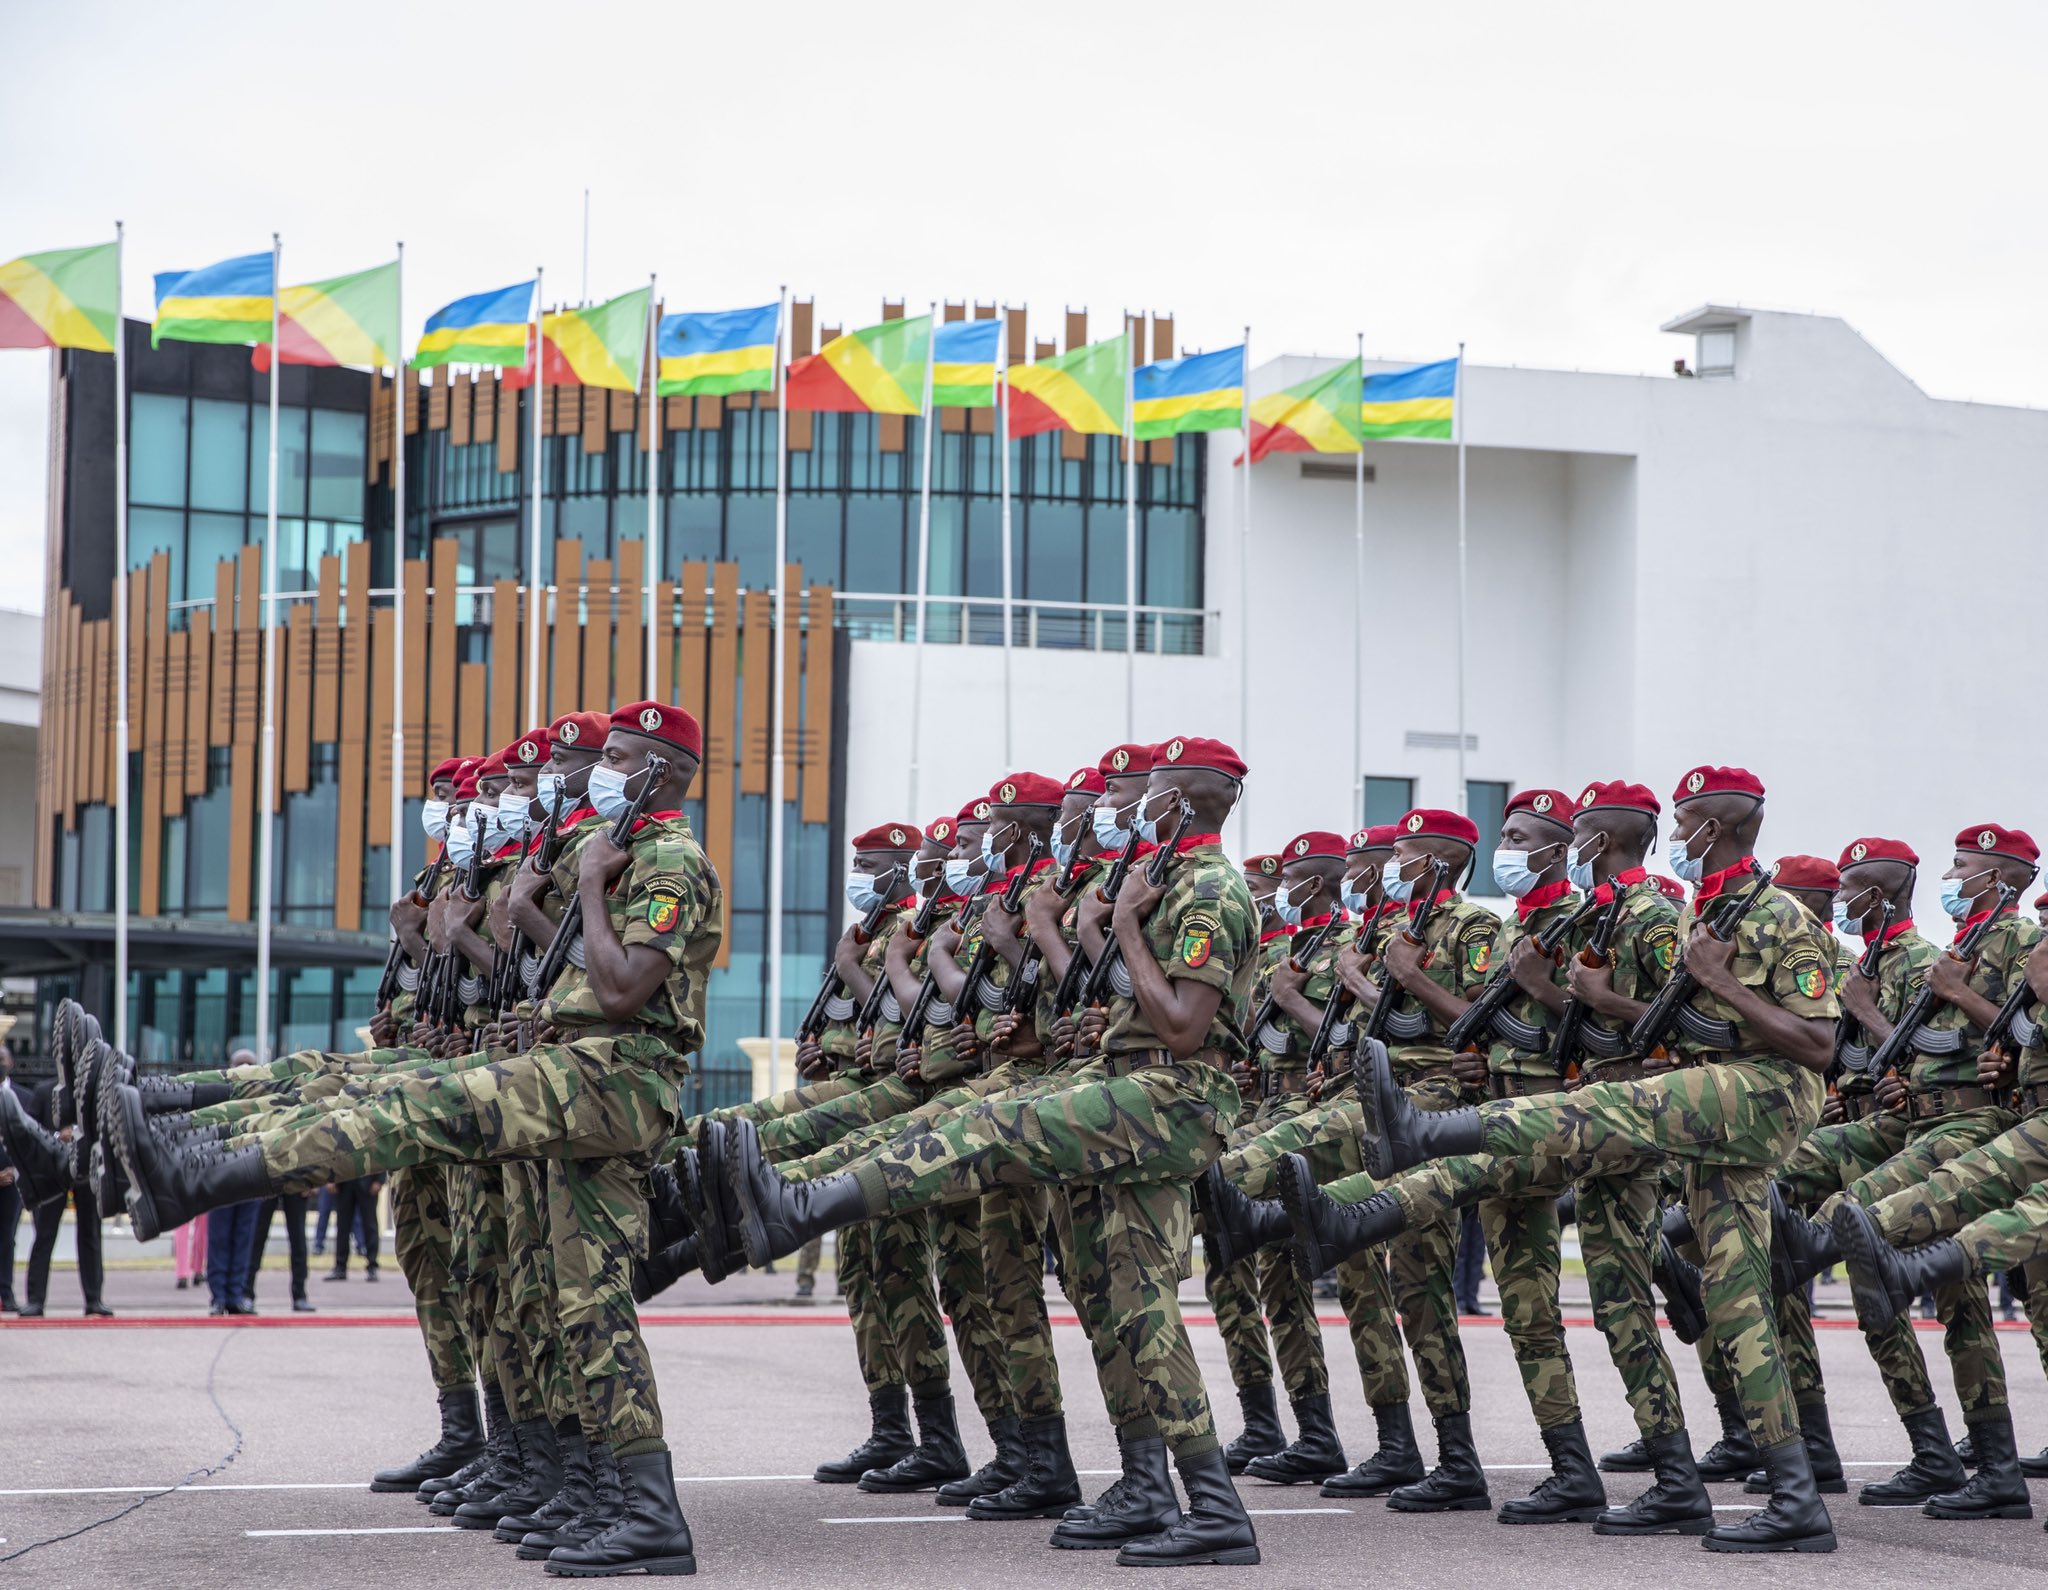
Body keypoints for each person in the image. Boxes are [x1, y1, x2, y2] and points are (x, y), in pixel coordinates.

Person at [110, 700, 723, 1576]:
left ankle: (191, 1171)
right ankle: (616, 1503)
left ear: (659, 772)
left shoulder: (670, 864)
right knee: (572, 1304)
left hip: (617, 1084)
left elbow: (622, 994)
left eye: (621, 759)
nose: (604, 774)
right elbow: (558, 983)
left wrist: (580, 887)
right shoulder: (619, 855)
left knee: (415, 1115)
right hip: (577, 1074)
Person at [710, 736, 1267, 1567]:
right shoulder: (1156, 882)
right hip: (1127, 1092)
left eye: (1154, 791)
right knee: (1126, 1306)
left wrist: (1114, 926)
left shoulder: (1211, 890)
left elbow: (1184, 1027)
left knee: (987, 1130)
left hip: (1172, 1098)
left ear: (1187, 801)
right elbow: (1094, 1001)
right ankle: (1163, 1489)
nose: (1136, 804)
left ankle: (798, 1209)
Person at [1297, 765, 1844, 1553]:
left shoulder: (1771, 915)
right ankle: (1771, 1498)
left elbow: (1818, 1046)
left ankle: (1420, 1137)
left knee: (1593, 1111)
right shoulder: (1700, 908)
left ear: (1712, 828)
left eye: (1686, 819)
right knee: (1730, 1303)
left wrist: (1707, 981)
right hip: (1704, 1107)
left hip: (1761, 1096)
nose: (1677, 837)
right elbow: (1673, 1025)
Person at [21, 1078, 109, 1317]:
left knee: (90, 1234)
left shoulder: (94, 1092)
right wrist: (58, 1135)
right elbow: (28, 1130)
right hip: (53, 1172)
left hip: (85, 1171)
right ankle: (36, 1300)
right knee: (45, 1235)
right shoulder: (44, 1091)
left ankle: (94, 1299)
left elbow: (105, 1129)